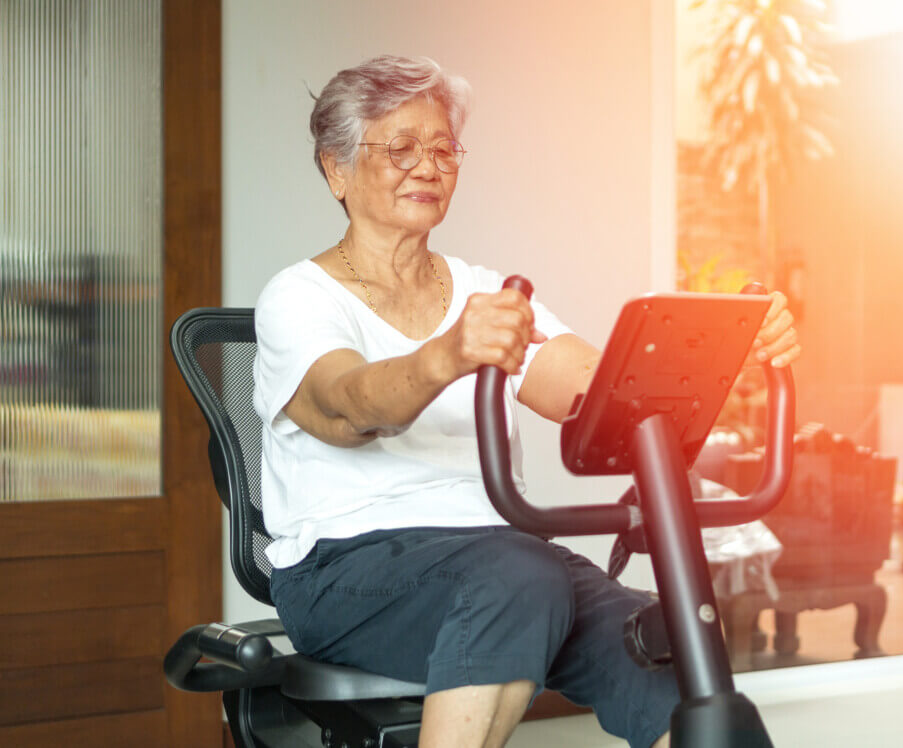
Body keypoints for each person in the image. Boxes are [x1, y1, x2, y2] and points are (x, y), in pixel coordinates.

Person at [253, 55, 801, 748]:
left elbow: (603, 394)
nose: (427, 167)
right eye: (401, 148)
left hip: (503, 560)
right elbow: (348, 406)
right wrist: (448, 355)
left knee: (662, 640)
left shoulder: (486, 293)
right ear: (336, 169)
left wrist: (726, 349)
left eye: (444, 148)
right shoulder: (299, 298)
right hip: (345, 572)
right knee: (521, 576)